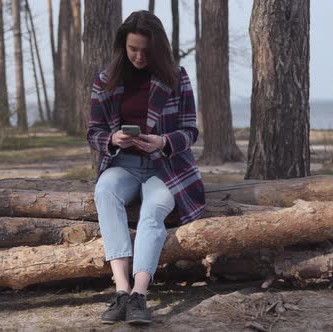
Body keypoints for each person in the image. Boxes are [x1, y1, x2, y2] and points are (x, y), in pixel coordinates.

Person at [87, 10, 205, 325]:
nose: (139, 56)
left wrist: (162, 141)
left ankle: (140, 294)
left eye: (146, 50)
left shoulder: (177, 77)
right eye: (133, 49)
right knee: (105, 191)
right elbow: (93, 132)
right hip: (122, 164)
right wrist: (113, 139)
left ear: (158, 48)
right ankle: (122, 290)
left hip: (165, 168)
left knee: (153, 209)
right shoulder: (105, 80)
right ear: (123, 47)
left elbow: (191, 131)